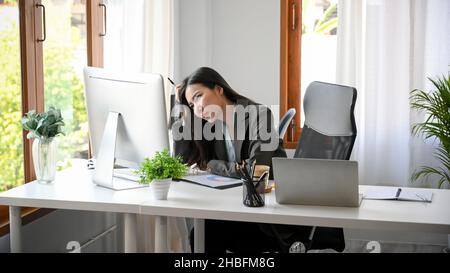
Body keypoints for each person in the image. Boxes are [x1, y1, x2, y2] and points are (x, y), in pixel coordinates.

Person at [172, 67, 287, 252]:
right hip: (233, 205)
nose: (198, 108)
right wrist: (180, 107)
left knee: (206, 233)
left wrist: (211, 164)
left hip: (263, 213)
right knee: (202, 232)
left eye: (199, 96)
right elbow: (181, 160)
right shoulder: (211, 123)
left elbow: (255, 171)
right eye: (192, 105)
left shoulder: (259, 114)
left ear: (219, 89)